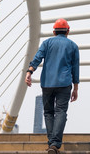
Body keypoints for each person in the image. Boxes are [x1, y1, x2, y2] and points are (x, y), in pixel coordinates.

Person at [25, 19, 79, 154]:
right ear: (68, 31)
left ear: (54, 31)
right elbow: (75, 69)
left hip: (47, 83)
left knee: (48, 112)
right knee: (61, 111)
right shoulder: (73, 46)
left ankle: (52, 143)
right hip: (64, 83)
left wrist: (29, 72)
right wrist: (76, 88)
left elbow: (37, 58)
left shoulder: (47, 43)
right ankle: (54, 144)